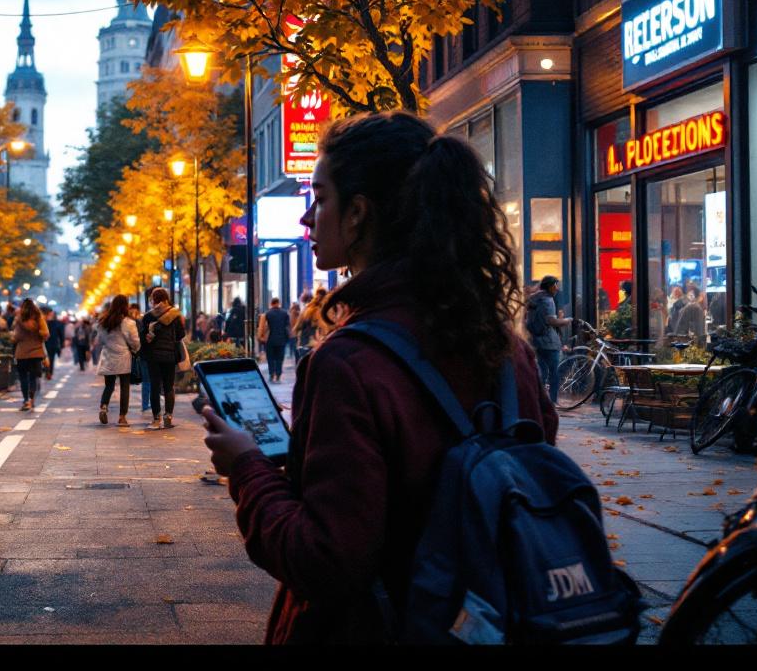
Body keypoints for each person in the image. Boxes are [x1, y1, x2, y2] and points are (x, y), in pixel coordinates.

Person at [199, 110, 557, 644]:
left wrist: (248, 467)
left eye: (319, 200)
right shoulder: (507, 350)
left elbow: (324, 562)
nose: (306, 220)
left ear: (359, 214)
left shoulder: (348, 364)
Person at [140, 287, 186, 429]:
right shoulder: (175, 314)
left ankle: (156, 419)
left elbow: (142, 336)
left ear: (153, 299)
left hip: (153, 356)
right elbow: (180, 335)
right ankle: (168, 416)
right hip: (169, 355)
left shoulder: (148, 317)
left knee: (154, 386)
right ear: (166, 298)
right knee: (168, 386)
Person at [95, 294, 141, 426]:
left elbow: (100, 340)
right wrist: (136, 349)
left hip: (108, 356)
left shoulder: (103, 322)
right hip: (123, 357)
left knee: (109, 385)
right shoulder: (128, 323)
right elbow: (135, 342)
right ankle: (122, 417)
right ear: (125, 306)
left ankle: (104, 406)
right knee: (124, 387)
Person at [526, 275, 571, 404]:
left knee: (543, 371)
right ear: (550, 286)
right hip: (550, 342)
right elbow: (551, 320)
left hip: (536, 340)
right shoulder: (548, 300)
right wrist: (567, 320)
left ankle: (538, 399)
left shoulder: (534, 299)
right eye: (555, 285)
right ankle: (552, 400)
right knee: (554, 373)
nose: (556, 289)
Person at [12, 299, 49, 412]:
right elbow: (46, 333)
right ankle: (32, 399)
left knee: (23, 378)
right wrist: (37, 334)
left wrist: (14, 338)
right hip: (36, 352)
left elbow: (16, 336)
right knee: (33, 377)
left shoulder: (19, 319)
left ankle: (26, 400)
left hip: (22, 352)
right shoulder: (39, 318)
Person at [257, 297, 291, 383]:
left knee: (270, 358)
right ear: (278, 303)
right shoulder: (285, 313)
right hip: (281, 339)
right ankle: (278, 375)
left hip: (270, 340)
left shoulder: (267, 314)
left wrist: (260, 337)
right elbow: (288, 327)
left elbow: (261, 327)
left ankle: (271, 374)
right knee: (280, 358)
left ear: (271, 303)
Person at [129, 303, 152, 417]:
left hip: (143, 353)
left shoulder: (138, 322)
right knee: (148, 380)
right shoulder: (138, 322)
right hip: (144, 354)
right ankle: (146, 405)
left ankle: (146, 404)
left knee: (148, 381)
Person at [43, 306, 65, 380]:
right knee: (50, 359)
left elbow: (61, 335)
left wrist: (62, 344)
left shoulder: (45, 322)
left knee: (48, 359)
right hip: (51, 344)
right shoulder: (57, 323)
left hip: (49, 344)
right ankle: (49, 372)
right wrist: (62, 344)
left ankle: (48, 372)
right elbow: (61, 335)